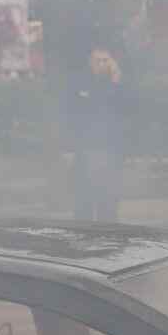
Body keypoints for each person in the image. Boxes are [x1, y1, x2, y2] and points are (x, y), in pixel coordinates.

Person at [66, 48, 127, 222]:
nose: (102, 65)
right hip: (86, 150)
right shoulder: (81, 84)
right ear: (90, 63)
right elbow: (82, 111)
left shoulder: (118, 86)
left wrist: (116, 81)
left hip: (110, 150)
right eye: (98, 61)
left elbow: (124, 110)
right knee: (84, 201)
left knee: (107, 202)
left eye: (106, 60)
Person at [0, 0, 31, 78]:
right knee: (10, 64)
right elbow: (17, 24)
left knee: (15, 64)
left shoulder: (18, 7)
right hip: (10, 37)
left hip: (14, 38)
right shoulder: (7, 5)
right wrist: (23, 36)